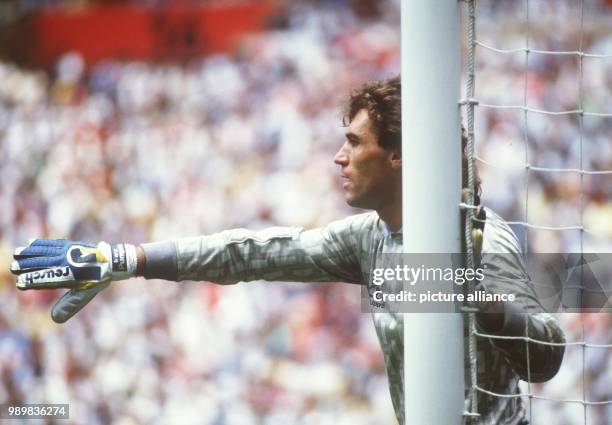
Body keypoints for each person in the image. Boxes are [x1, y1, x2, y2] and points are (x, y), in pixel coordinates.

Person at [11, 76, 564, 424]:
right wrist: (124, 259)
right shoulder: (370, 238)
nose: (337, 157)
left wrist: (481, 297)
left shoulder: (479, 240)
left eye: (353, 142)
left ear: (399, 157)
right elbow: (251, 252)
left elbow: (548, 356)